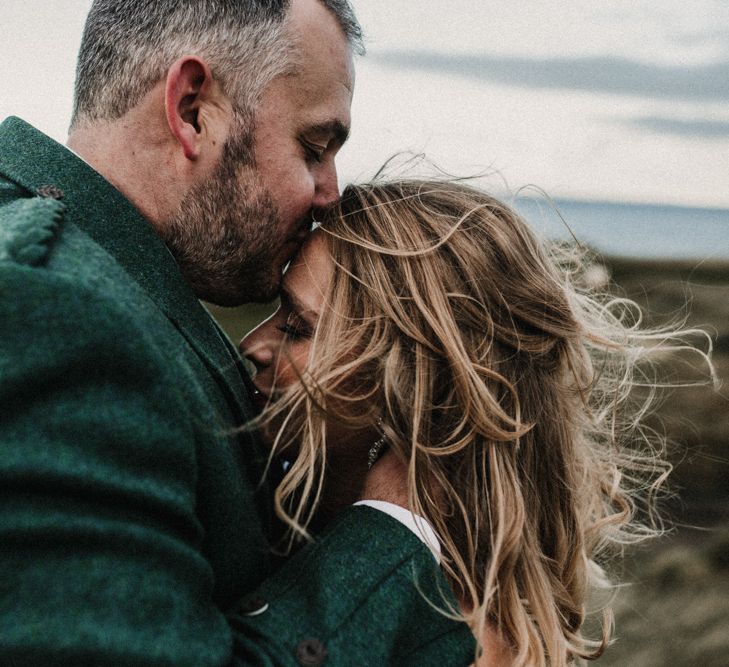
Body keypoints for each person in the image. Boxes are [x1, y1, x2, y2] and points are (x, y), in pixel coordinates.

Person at [0, 2, 475, 665]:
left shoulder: (102, 289)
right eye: (314, 147)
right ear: (193, 109)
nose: (330, 193)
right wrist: (391, 527)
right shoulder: (53, 306)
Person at [240, 178, 714, 666]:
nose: (251, 344)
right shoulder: (277, 518)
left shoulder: (460, 639)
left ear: (412, 390)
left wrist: (388, 520)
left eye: (297, 327)